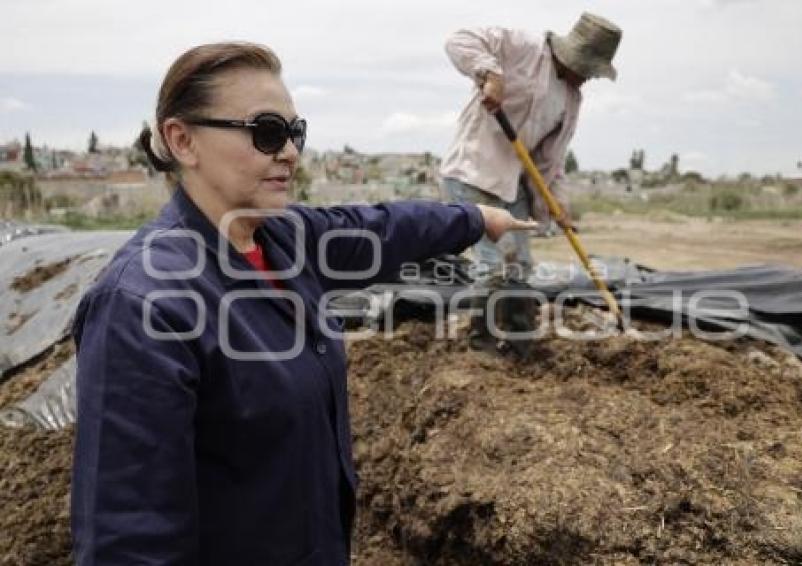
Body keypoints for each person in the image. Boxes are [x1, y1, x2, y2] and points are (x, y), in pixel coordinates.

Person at [71, 41, 536, 565]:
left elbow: (379, 229)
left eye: (296, 133)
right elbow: (128, 539)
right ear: (183, 140)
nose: (289, 152)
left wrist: (474, 220)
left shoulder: (282, 239)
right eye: (266, 132)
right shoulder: (143, 304)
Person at [440, 13, 622, 349]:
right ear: (573, 56)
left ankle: (521, 344)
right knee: (495, 265)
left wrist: (558, 208)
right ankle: (483, 347)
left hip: (513, 185)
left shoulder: (571, 98)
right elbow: (458, 39)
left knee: (520, 266)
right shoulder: (523, 47)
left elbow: (550, 163)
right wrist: (490, 74)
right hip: (473, 172)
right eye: (589, 69)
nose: (589, 78)